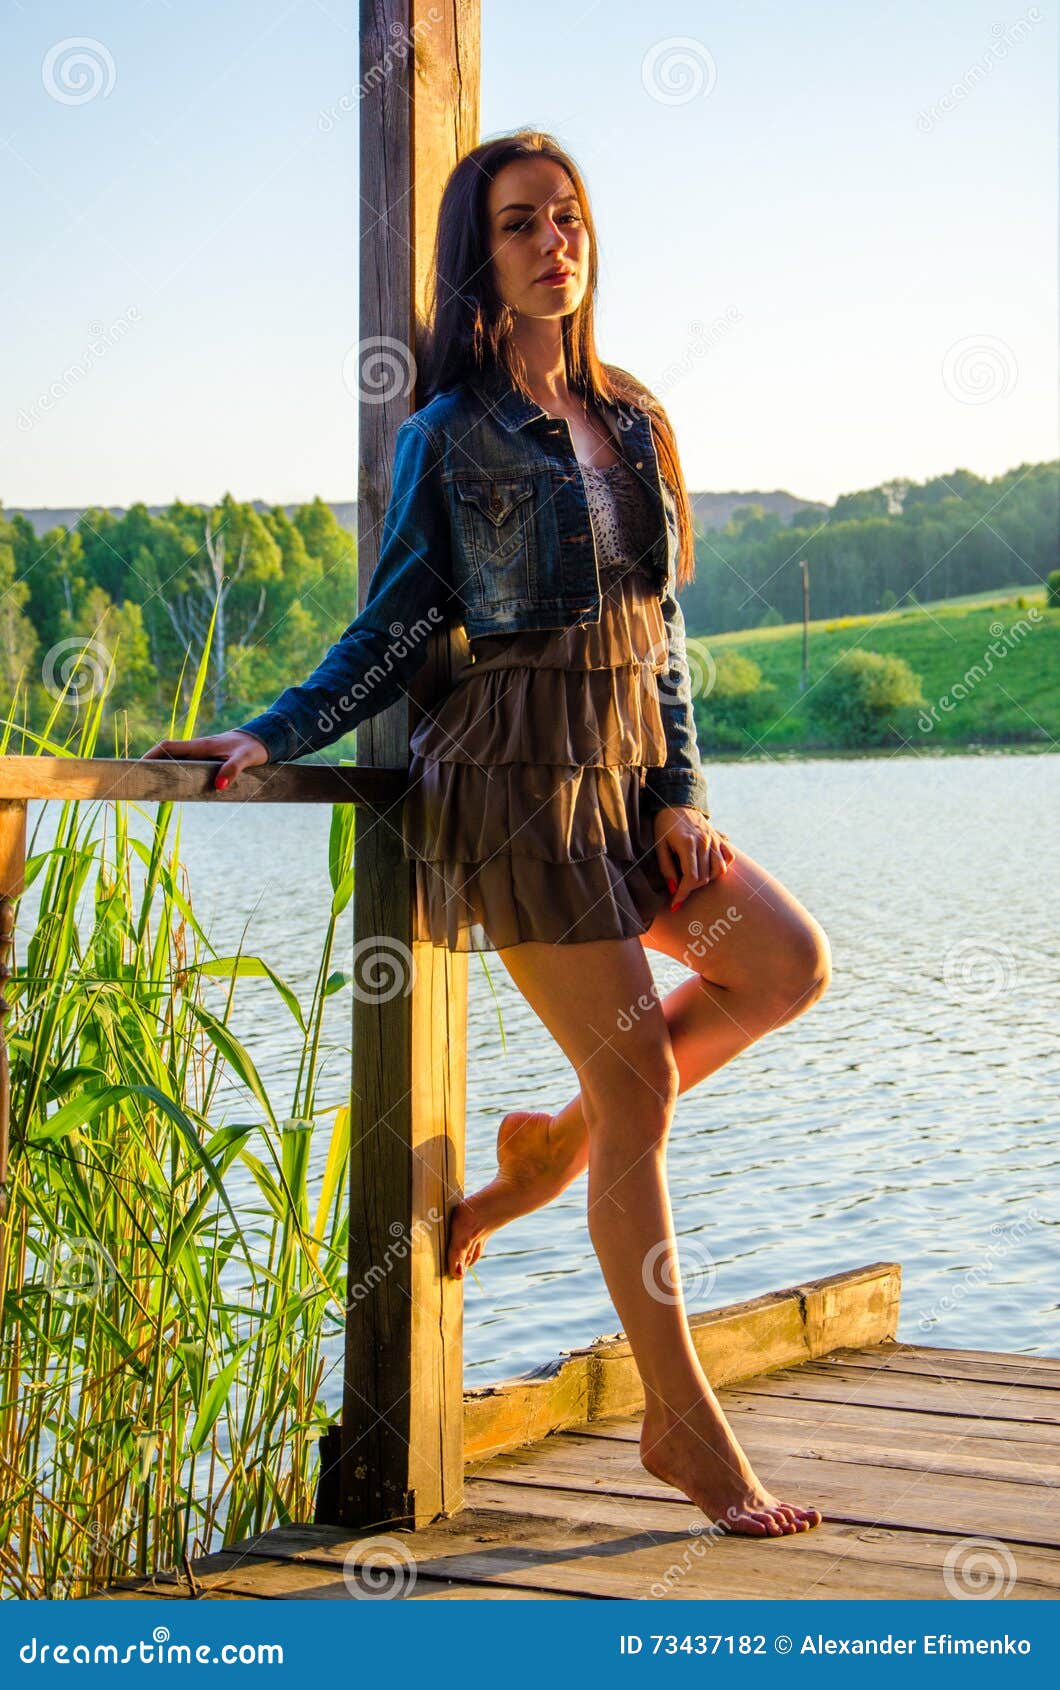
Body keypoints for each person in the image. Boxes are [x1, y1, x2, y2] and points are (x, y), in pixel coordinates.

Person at [143, 130, 832, 1539]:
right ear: (483, 258)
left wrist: (682, 790)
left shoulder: (630, 417)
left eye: (567, 219)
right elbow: (396, 623)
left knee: (784, 965)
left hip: (627, 786)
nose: (551, 244)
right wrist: (272, 731)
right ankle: (684, 1429)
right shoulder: (444, 434)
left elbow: (664, 631)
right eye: (520, 225)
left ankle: (534, 1161)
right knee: (642, 1083)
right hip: (514, 789)